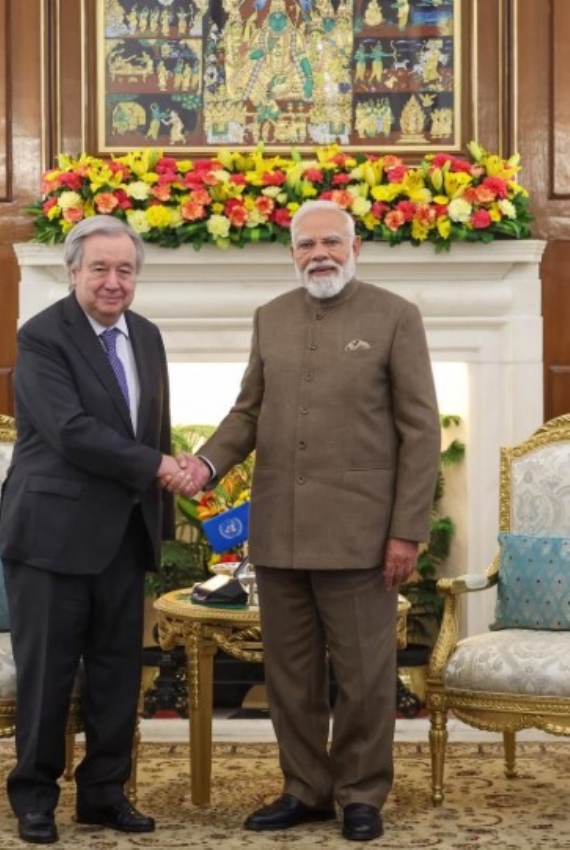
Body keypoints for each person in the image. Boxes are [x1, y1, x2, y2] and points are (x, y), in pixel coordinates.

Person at [171, 199, 441, 842]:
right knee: (290, 680)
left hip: (363, 536)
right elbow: (246, 414)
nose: (318, 254)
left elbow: (421, 432)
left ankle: (361, 794)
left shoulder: (396, 317)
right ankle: (306, 789)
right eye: (305, 245)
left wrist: (407, 530)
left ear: (355, 248)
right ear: (291, 253)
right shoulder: (271, 318)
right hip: (280, 533)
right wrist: (205, 465)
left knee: (365, 679)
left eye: (331, 242)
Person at [0, 216, 191, 844]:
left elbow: (152, 428)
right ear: (73, 271)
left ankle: (104, 795)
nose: (113, 282)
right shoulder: (42, 336)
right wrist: (161, 467)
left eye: (125, 270)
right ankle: (34, 797)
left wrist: (163, 497)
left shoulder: (148, 335)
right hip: (52, 537)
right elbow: (72, 431)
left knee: (114, 676)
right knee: (48, 674)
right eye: (100, 269)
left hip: (124, 536)